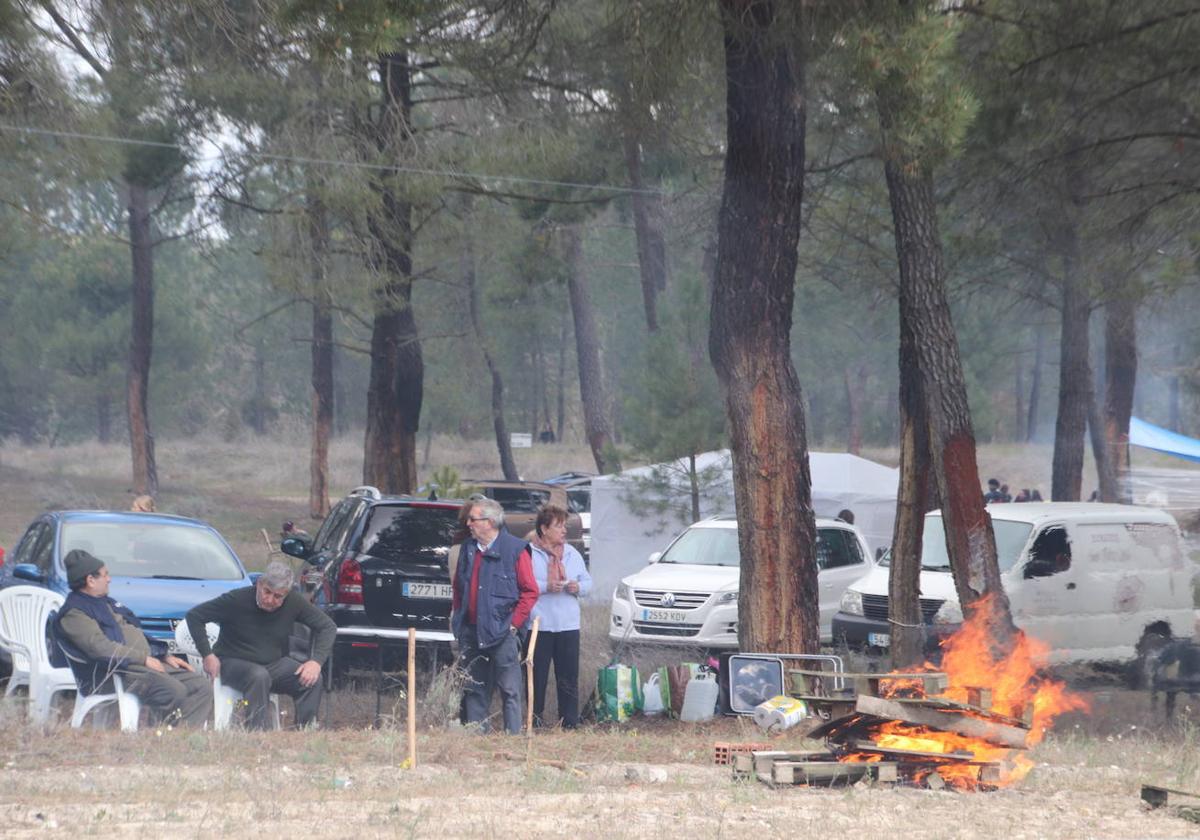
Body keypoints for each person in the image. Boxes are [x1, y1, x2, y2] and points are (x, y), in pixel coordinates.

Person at [54, 549, 211, 727]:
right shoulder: (75, 613)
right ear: (90, 580)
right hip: (112, 674)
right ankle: (166, 736)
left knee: (200, 686)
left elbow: (134, 632)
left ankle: (183, 737)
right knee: (173, 690)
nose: (109, 579)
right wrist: (143, 659)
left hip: (139, 665)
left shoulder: (106, 603)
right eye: (105, 575)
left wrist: (163, 655)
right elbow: (101, 648)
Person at [185, 560, 336, 730]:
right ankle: (257, 734)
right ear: (259, 584)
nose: (270, 600)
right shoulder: (236, 599)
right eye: (267, 592)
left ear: (286, 593)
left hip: (273, 664)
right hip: (232, 662)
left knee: (312, 680)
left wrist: (316, 661)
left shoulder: (294, 602)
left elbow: (327, 626)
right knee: (259, 676)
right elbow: (194, 616)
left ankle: (305, 732)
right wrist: (207, 654)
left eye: (278, 596)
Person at [450, 496, 538, 734]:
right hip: (470, 630)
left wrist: (513, 625)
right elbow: (459, 587)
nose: (468, 523)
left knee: (510, 690)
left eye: (473, 519)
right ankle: (478, 736)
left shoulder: (515, 550)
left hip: (503, 633)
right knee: (474, 688)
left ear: (489, 522)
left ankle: (513, 736)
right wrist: (458, 619)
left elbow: (530, 592)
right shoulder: (468, 549)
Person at [528, 504, 592, 729]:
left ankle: (569, 722)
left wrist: (577, 587)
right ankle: (533, 721)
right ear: (544, 529)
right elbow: (522, 584)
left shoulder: (572, 553)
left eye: (565, 526)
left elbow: (588, 582)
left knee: (568, 676)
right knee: (537, 677)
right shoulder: (529, 552)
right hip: (539, 624)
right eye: (558, 526)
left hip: (568, 624)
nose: (564, 531)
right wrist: (547, 586)